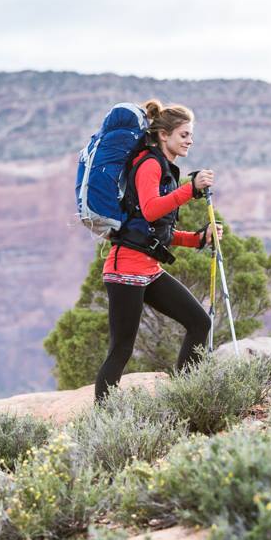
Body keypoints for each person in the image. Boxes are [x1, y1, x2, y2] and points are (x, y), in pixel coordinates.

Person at [95, 99, 220, 402]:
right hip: (125, 269)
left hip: (147, 269)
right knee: (121, 348)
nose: (189, 140)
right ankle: (102, 419)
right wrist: (191, 189)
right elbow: (151, 210)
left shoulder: (164, 167)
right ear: (164, 135)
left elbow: (154, 230)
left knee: (199, 323)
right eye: (184, 135)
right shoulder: (150, 164)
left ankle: (187, 397)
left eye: (191, 135)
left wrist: (198, 238)